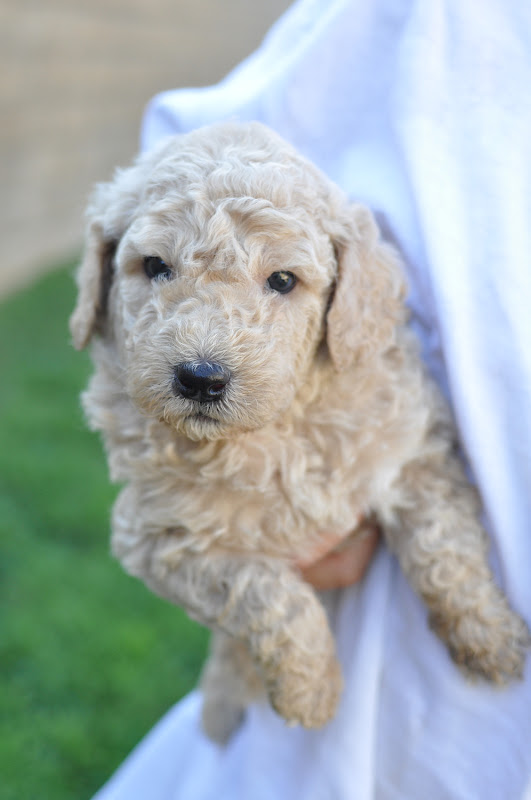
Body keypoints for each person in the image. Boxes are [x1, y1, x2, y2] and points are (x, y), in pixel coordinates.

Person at [93, 0, 531, 797]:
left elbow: (421, 464)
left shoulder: (377, 388)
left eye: (281, 280)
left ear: (346, 298)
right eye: (157, 267)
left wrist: (455, 585)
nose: (204, 355)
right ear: (105, 270)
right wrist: (275, 618)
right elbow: (156, 540)